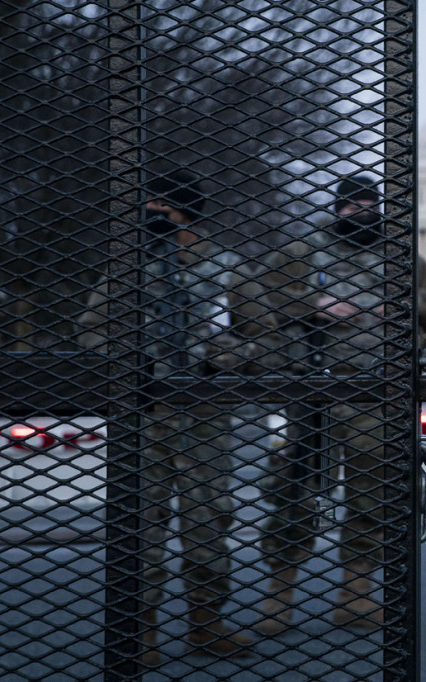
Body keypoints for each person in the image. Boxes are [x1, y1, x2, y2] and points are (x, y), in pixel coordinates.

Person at [227, 175, 426, 634]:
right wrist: (314, 305)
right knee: (295, 494)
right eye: (351, 206)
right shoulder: (301, 253)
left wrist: (402, 302)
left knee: (372, 495)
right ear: (337, 210)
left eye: (367, 205)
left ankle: (355, 596)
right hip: (312, 394)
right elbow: (256, 300)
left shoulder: (402, 259)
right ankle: (279, 597)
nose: (360, 212)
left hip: (379, 395)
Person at [78, 170, 252, 663]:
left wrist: (227, 355)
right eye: (148, 204)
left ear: (187, 215)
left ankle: (205, 622)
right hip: (143, 417)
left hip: (204, 420)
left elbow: (268, 342)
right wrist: (128, 360)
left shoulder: (227, 270)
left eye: (163, 206)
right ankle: (143, 631)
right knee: (142, 527)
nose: (152, 213)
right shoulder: (128, 269)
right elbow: (91, 329)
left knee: (208, 524)